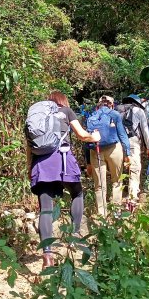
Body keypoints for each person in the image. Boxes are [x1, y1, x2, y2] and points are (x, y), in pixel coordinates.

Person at [26, 90, 100, 269]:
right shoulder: (66, 111)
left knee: (46, 209)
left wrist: (30, 168)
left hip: (41, 164)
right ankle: (73, 237)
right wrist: (95, 137)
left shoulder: (37, 117)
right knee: (77, 193)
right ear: (63, 101)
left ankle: (48, 255)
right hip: (63, 160)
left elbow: (29, 148)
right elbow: (82, 135)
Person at [86, 95, 131, 217]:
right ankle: (116, 212)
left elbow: (87, 140)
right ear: (111, 104)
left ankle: (102, 215)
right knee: (117, 181)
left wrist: (88, 162)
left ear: (98, 106)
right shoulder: (115, 115)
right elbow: (122, 135)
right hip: (114, 150)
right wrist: (127, 153)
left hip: (96, 151)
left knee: (99, 186)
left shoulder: (91, 117)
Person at [116, 94, 149, 204]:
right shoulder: (138, 111)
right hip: (132, 142)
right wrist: (148, 147)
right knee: (134, 168)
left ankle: (117, 196)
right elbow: (145, 130)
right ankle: (132, 196)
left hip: (118, 143)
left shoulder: (117, 111)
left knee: (119, 169)